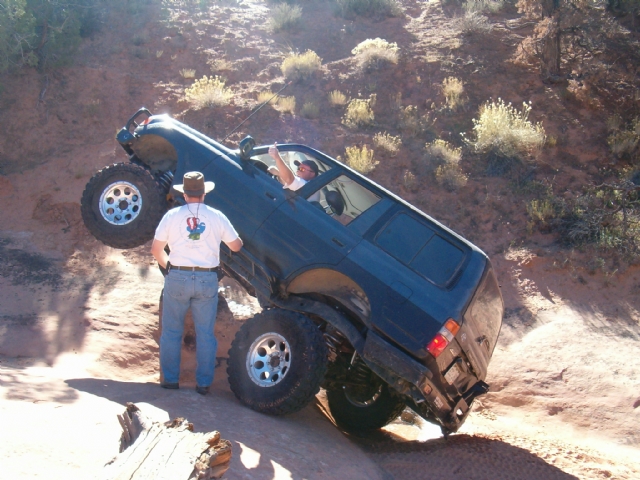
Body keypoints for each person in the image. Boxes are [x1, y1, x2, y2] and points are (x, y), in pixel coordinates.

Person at [151, 171, 243, 395]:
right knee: (205, 334)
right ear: (203, 193)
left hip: (178, 276)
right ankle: (203, 384)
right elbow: (236, 246)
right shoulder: (216, 216)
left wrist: (169, 268)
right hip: (206, 278)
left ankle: (170, 380)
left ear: (184, 193)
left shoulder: (172, 216)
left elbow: (156, 249)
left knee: (171, 332)